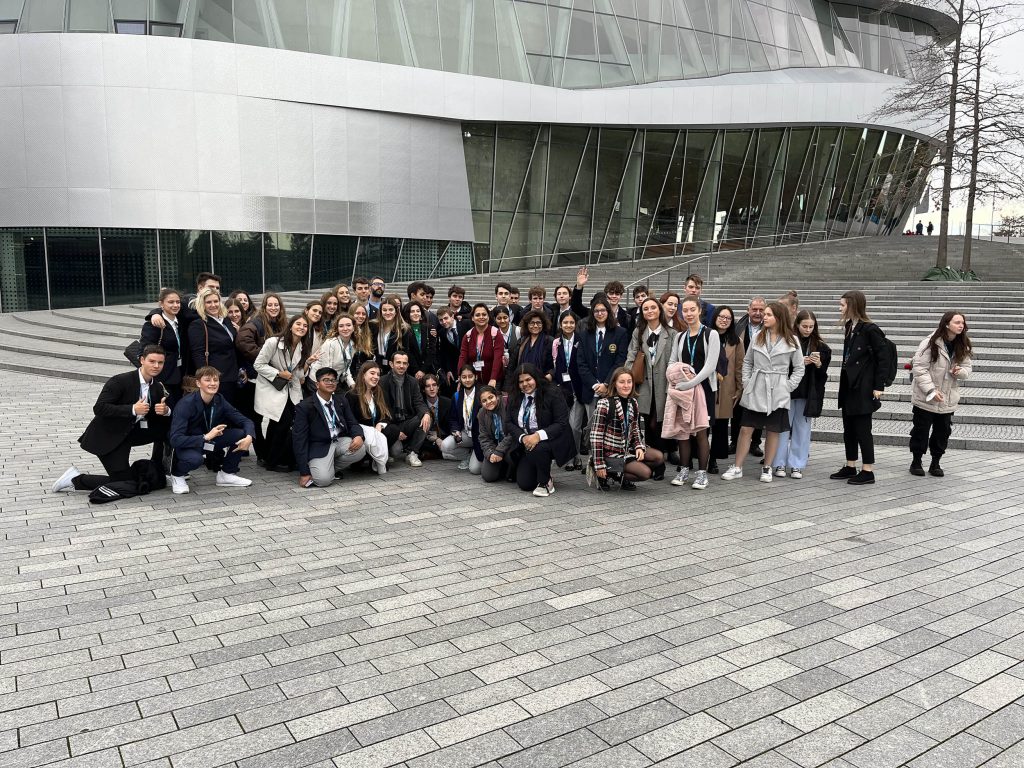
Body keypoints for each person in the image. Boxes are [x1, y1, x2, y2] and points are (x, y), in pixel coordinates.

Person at [52, 346, 172, 493]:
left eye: (160, 362)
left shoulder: (157, 387)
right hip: (108, 437)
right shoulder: (120, 381)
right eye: (152, 361)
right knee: (125, 484)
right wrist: (132, 409)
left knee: (167, 428)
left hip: (129, 433)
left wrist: (166, 411)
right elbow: (100, 408)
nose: (156, 366)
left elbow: (154, 415)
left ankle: (164, 469)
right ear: (142, 360)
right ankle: (75, 479)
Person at [722, 302, 804, 484]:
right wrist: (747, 382)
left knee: (774, 430)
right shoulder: (758, 336)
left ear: (779, 317)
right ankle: (737, 466)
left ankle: (767, 467)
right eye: (764, 314)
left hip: (779, 389)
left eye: (768, 314)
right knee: (745, 429)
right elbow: (748, 362)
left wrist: (788, 386)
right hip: (756, 387)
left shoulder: (792, 340)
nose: (764, 317)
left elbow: (799, 368)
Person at [167, 366, 255, 493]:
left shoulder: (219, 399)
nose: (213, 383)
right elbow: (175, 439)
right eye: (207, 380)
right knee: (196, 459)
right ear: (198, 383)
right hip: (188, 444)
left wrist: (249, 437)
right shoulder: (185, 404)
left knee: (241, 433)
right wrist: (205, 437)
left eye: (216, 380)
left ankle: (227, 474)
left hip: (209, 440)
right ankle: (177, 475)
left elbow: (245, 421)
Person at [831, 290, 888, 485]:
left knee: (863, 428)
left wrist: (878, 385)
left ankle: (868, 470)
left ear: (853, 306)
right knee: (848, 427)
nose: (840, 308)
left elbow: (883, 358)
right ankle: (850, 465)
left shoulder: (870, 329)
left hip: (864, 385)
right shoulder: (850, 326)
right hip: (848, 384)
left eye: (843, 305)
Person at [909, 311, 972, 478]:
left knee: (942, 431)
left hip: (947, 398)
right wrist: (930, 390)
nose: (961, 325)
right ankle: (916, 461)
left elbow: (968, 368)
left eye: (962, 323)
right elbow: (919, 368)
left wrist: (960, 371)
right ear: (946, 324)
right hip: (926, 396)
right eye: (957, 322)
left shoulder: (962, 345)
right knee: (921, 430)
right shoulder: (930, 343)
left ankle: (935, 462)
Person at [667, 296, 721, 489]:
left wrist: (691, 382)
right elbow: (673, 362)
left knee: (700, 432)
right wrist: (677, 379)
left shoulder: (711, 334)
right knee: (683, 431)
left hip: (703, 389)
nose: (688, 314)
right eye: (685, 310)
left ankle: (702, 473)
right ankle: (683, 470)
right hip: (683, 390)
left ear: (700, 311)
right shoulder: (680, 336)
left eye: (692, 310)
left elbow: (710, 366)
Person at [773, 310, 831, 479]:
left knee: (802, 429)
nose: (807, 329)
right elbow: (778, 366)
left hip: (807, 393)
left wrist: (819, 364)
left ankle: (797, 464)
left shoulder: (821, 347)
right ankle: (779, 463)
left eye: (811, 327)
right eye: (804, 326)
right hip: (788, 391)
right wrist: (799, 362)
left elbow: (823, 376)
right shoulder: (787, 341)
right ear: (797, 325)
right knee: (783, 428)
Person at [254, 313, 313, 472]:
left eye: (305, 326)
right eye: (298, 324)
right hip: (272, 387)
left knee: (278, 423)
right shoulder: (273, 342)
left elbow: (298, 374)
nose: (302, 327)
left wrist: (307, 363)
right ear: (291, 325)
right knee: (282, 422)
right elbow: (258, 365)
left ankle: (270, 458)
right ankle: (272, 461)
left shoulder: (302, 346)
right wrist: (278, 373)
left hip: (289, 390)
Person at [589, 368, 665, 490]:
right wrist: (599, 464)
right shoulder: (604, 404)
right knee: (645, 473)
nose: (626, 385)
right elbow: (595, 437)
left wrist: (639, 446)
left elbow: (635, 429)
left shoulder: (633, 402)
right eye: (622, 382)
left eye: (629, 382)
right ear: (614, 383)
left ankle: (618, 474)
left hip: (627, 449)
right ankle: (608, 472)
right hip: (610, 452)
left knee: (658, 457)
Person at [505, 364, 574, 497]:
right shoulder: (514, 396)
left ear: (536, 378)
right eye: (521, 381)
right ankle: (538, 467)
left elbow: (561, 423)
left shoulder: (553, 393)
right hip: (526, 442)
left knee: (539, 448)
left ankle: (546, 482)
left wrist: (538, 435)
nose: (525, 384)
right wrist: (523, 437)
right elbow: (508, 422)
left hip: (552, 439)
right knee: (525, 484)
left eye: (528, 379)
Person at [624, 296, 675, 476]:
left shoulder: (672, 333)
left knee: (656, 424)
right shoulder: (638, 332)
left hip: (662, 386)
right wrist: (627, 379)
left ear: (659, 310)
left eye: (653, 307)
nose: (650, 311)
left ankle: (658, 464)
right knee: (642, 423)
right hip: (643, 385)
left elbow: (676, 361)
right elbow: (631, 357)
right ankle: (647, 460)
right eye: (646, 309)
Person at [292, 367, 368, 488]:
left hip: (338, 441)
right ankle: (319, 470)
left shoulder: (341, 400)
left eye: (333, 380)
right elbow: (299, 440)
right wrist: (304, 472)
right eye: (326, 380)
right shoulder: (305, 407)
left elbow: (352, 422)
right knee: (323, 481)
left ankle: (328, 468)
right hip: (319, 446)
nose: (330, 383)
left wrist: (359, 435)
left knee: (361, 448)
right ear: (317, 384)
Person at [235, 293, 287, 460]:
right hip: (255, 379)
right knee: (256, 418)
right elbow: (243, 341)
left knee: (274, 414)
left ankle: (268, 450)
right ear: (264, 307)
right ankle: (262, 452)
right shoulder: (256, 323)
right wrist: (266, 358)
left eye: (276, 305)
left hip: (273, 378)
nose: (273, 308)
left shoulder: (280, 324)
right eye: (270, 305)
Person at [577, 294, 629, 439]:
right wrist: (594, 385)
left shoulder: (620, 333)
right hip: (591, 389)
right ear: (592, 314)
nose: (600, 313)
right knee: (594, 428)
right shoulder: (584, 334)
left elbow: (620, 361)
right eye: (596, 311)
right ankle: (595, 458)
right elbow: (581, 363)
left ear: (608, 311)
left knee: (610, 427)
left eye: (603, 310)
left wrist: (606, 383)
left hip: (610, 388)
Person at [188, 287, 240, 404]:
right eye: (209, 302)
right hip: (216, 378)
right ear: (202, 304)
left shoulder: (226, 320)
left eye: (216, 301)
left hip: (233, 375)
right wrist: (207, 379)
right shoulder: (198, 325)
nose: (213, 305)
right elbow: (198, 354)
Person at [709, 306, 744, 475]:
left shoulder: (736, 341)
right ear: (715, 317)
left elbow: (739, 366)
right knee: (703, 423)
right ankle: (700, 455)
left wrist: (739, 388)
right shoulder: (706, 335)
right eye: (721, 317)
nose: (724, 320)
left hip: (726, 387)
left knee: (720, 425)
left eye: (728, 318)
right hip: (707, 385)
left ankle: (713, 458)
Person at [380, 350, 430, 466]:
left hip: (407, 421)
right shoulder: (383, 381)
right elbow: (382, 409)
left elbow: (419, 402)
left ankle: (412, 453)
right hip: (390, 424)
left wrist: (426, 413)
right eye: (398, 362)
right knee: (396, 451)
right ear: (391, 364)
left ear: (408, 365)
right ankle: (388, 451)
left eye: (404, 363)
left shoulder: (412, 382)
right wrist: (395, 431)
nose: (401, 366)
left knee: (425, 418)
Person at [732, 296, 767, 456]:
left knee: (758, 409)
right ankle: (734, 441)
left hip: (760, 374)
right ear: (748, 310)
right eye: (754, 309)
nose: (758, 313)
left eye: (761, 310)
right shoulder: (738, 326)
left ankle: (755, 443)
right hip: (740, 373)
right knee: (737, 408)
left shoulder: (769, 326)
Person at [552, 312, 586, 471]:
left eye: (571, 322)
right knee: (564, 425)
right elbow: (554, 365)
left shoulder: (581, 341)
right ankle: (570, 458)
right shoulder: (556, 342)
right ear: (560, 324)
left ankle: (576, 454)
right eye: (565, 322)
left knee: (575, 426)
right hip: (561, 390)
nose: (568, 325)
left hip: (577, 389)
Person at [346, 361, 392, 475]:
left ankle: (375, 460)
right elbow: (349, 421)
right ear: (363, 375)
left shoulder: (380, 393)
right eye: (372, 373)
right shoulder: (351, 395)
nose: (376, 377)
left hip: (376, 432)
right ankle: (358, 460)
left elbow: (388, 415)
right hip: (360, 433)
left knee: (393, 430)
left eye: (378, 374)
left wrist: (380, 424)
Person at [139, 288, 184, 405]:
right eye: (171, 302)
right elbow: (144, 350)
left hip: (178, 375)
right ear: (161, 304)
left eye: (178, 302)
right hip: (161, 376)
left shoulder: (180, 322)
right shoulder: (154, 324)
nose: (175, 305)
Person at [440, 365, 483, 473]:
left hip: (480, 437)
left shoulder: (482, 394)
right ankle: (469, 454)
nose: (467, 380)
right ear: (459, 378)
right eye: (464, 377)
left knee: (475, 469)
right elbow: (453, 419)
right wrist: (456, 431)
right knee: (445, 447)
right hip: (466, 434)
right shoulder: (457, 396)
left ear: (476, 377)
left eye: (470, 376)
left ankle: (475, 454)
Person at [312, 314, 369, 391]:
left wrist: (352, 385)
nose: (345, 328)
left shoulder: (353, 345)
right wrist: (331, 391)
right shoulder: (330, 343)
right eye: (341, 326)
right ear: (337, 329)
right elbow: (326, 370)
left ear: (354, 328)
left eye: (348, 325)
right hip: (318, 381)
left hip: (334, 381)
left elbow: (346, 366)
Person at [457, 303, 504, 388]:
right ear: (472, 318)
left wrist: (493, 379)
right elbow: (462, 357)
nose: (481, 317)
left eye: (484, 314)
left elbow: (498, 358)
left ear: (488, 317)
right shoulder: (468, 335)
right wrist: (460, 377)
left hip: (493, 381)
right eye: (477, 315)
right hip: (474, 382)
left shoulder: (496, 334)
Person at [504, 310, 554, 389]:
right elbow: (512, 366)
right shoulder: (521, 341)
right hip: (523, 384)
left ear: (543, 324)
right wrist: (508, 387)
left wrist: (550, 375)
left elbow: (556, 364)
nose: (535, 326)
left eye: (538, 323)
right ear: (527, 325)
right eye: (532, 323)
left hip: (543, 384)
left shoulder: (550, 341)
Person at [478, 385, 516, 482]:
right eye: (484, 401)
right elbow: (483, 437)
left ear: (497, 396)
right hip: (495, 447)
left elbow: (513, 432)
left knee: (509, 457)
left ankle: (513, 468)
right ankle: (503, 467)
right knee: (488, 476)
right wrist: (490, 453)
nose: (488, 402)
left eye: (491, 397)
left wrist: (499, 451)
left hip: (512, 445)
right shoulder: (482, 413)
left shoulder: (508, 405)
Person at [402, 300, 438, 380]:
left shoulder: (430, 328)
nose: (416, 313)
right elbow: (407, 351)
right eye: (412, 311)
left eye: (418, 311)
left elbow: (432, 350)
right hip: (411, 370)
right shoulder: (404, 330)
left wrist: (423, 370)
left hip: (428, 370)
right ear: (408, 314)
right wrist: (416, 370)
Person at [419, 373, 452, 458]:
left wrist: (439, 439)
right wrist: (435, 439)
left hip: (444, 437)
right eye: (428, 386)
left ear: (438, 387)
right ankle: (437, 453)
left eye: (434, 385)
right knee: (418, 443)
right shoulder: (420, 405)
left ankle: (432, 454)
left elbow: (450, 426)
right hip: (426, 438)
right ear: (423, 389)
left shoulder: (448, 403)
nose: (432, 388)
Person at [436, 307, 465, 394]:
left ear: (452, 317)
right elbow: (445, 353)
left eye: (446, 318)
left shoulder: (465, 324)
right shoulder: (441, 332)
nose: (444, 322)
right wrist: (448, 370)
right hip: (454, 369)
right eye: (441, 320)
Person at [370, 299, 404, 372]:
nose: (387, 313)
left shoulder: (403, 329)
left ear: (396, 311)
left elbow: (405, 352)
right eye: (384, 310)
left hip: (394, 368)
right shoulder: (374, 326)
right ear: (381, 311)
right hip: (376, 366)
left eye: (391, 310)